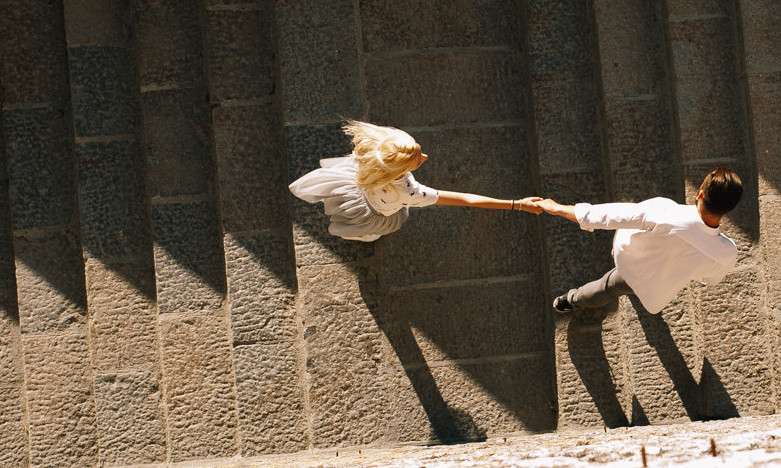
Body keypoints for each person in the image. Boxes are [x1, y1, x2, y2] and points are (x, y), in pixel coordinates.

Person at [536, 168, 743, 319]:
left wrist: (556, 208)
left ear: (700, 193)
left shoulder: (665, 212)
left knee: (606, 287)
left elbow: (604, 215)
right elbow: (711, 279)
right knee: (613, 288)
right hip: (658, 284)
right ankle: (571, 301)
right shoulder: (727, 253)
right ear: (729, 210)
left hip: (631, 264)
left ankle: (572, 300)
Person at [288, 119, 539, 242]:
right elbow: (467, 200)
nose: (425, 157)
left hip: (357, 189)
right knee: (374, 231)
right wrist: (517, 204)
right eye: (417, 161)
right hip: (376, 212)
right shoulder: (409, 194)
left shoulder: (373, 153)